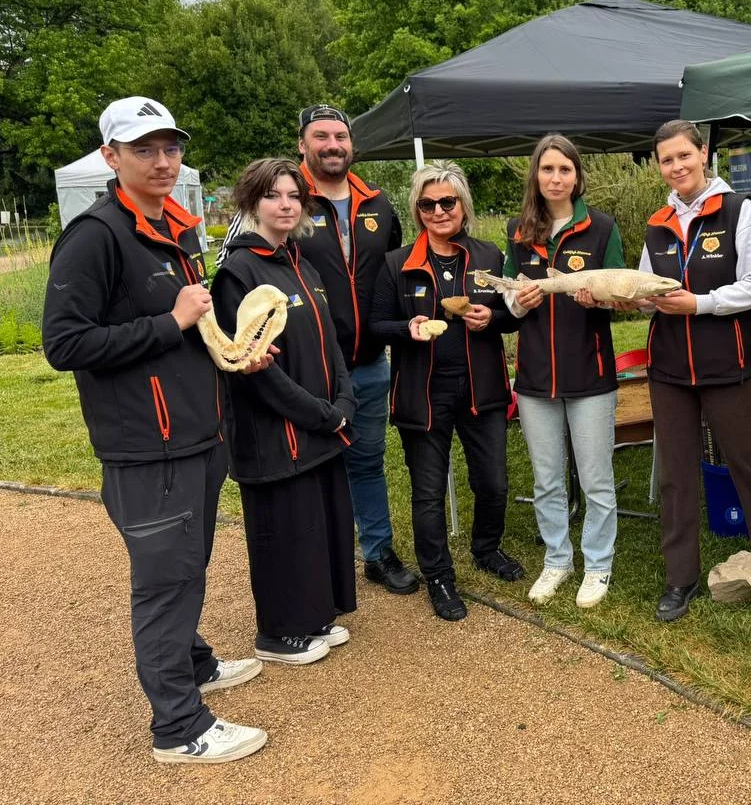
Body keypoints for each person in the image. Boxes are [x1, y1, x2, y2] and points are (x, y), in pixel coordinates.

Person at [42, 97, 268, 764]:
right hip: (147, 447)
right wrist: (168, 322)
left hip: (197, 434)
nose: (163, 161)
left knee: (187, 566)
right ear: (111, 158)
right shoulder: (96, 235)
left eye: (170, 148)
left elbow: (190, 326)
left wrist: (231, 350)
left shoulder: (173, 226)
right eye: (144, 149)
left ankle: (193, 661)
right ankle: (178, 727)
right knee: (166, 582)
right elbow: (64, 343)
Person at [636, 120, 751, 622]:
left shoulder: (737, 210)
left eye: (684, 155)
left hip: (726, 365)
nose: (677, 166)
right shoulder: (657, 222)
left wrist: (700, 304)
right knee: (675, 475)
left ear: (703, 153)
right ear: (659, 166)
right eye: (667, 160)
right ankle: (680, 578)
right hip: (668, 370)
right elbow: (648, 293)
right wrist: (626, 295)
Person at [213, 158, 357, 664]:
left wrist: (344, 399)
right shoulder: (237, 272)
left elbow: (331, 341)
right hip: (276, 432)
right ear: (253, 202)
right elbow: (252, 367)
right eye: (274, 195)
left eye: (293, 196)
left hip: (320, 422)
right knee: (285, 530)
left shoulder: (302, 262)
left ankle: (314, 616)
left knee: (316, 525)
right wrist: (321, 413)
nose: (286, 204)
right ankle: (278, 633)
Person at [370, 162, 524, 621]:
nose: (439, 211)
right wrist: (407, 326)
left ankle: (486, 548)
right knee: (428, 492)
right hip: (423, 391)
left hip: (483, 387)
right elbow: (376, 324)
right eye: (428, 203)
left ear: (462, 205)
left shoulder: (489, 256)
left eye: (448, 202)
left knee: (493, 482)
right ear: (417, 210)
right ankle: (438, 575)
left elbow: (514, 314)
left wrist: (491, 319)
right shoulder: (397, 264)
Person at [294, 104, 418, 596]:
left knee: (366, 461)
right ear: (302, 144)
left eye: (340, 136)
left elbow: (394, 273)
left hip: (367, 364)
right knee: (311, 467)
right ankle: (317, 557)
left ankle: (378, 552)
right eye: (320, 136)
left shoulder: (378, 204)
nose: (332, 145)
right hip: (306, 367)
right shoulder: (284, 198)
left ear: (352, 144)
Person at [504, 134, 625, 608]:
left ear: (577, 176)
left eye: (565, 170)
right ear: (536, 175)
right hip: (536, 376)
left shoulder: (601, 228)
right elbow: (508, 299)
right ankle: (557, 559)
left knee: (596, 478)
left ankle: (597, 566)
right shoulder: (519, 230)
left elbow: (623, 295)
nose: (556, 178)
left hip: (590, 373)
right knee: (547, 478)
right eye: (547, 169)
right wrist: (519, 301)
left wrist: (603, 297)